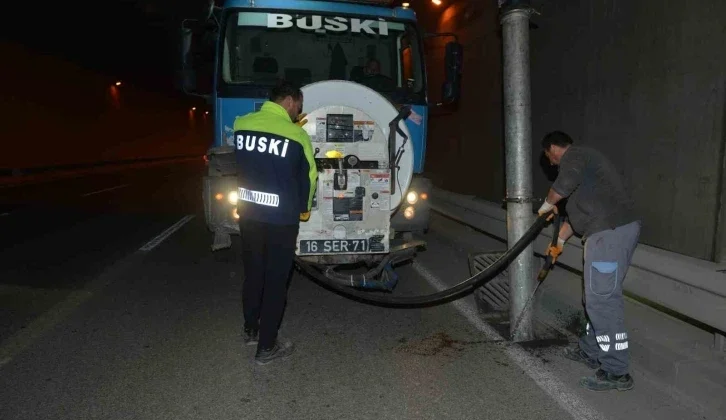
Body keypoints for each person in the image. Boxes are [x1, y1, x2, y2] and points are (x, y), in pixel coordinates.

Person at [537, 131, 641, 392]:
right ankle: (590, 351)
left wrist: (546, 205)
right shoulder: (588, 176)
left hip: (608, 233)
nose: (551, 164)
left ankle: (616, 371)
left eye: (549, 158)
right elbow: (574, 221)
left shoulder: (576, 156)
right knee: (594, 297)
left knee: (602, 300)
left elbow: (562, 186)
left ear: (552, 149)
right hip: (606, 232)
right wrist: (557, 244)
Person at [232, 81, 317, 366]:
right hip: (280, 220)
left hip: (249, 214)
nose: (299, 112)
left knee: (253, 273)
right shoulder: (296, 135)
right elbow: (309, 177)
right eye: (299, 106)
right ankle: (267, 346)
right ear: (291, 102)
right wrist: (303, 211)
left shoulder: (241, 124)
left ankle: (250, 329)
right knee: (276, 280)